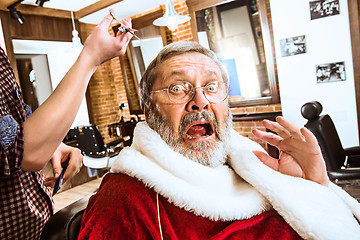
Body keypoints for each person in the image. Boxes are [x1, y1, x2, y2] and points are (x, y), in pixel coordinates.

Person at [78, 41, 360, 240]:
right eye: (177, 89)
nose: (200, 102)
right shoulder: (125, 201)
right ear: (149, 112)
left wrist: (313, 184)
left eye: (212, 87)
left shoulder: (253, 162)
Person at [0, 12, 133, 239]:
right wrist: (90, 57)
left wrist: (52, 144)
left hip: (39, 226)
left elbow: (17, 125)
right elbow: (24, 152)